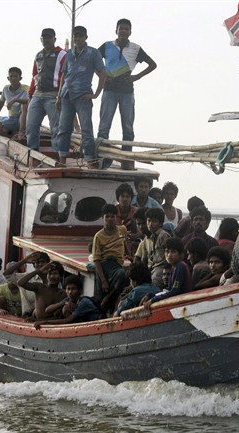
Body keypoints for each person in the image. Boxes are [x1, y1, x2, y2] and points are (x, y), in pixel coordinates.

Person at [97, 18, 157, 170]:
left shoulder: (136, 49)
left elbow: (153, 64)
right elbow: (93, 61)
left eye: (126, 29)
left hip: (127, 92)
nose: (123, 31)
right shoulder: (107, 46)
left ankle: (126, 160)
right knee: (104, 127)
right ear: (116, 30)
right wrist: (101, 76)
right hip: (109, 90)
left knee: (128, 128)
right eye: (121, 28)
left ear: (130, 32)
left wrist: (137, 76)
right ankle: (101, 159)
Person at [53, 25, 106, 168]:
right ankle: (62, 159)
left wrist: (95, 94)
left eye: (80, 35)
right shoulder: (69, 53)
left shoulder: (93, 53)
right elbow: (64, 74)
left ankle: (89, 160)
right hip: (66, 95)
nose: (77, 38)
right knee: (63, 129)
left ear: (86, 37)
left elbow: (102, 73)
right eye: (75, 36)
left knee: (86, 129)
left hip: (83, 95)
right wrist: (58, 96)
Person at [26, 28, 66, 151]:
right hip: (38, 94)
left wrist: (61, 96)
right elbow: (34, 75)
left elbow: (66, 76)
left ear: (54, 39)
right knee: (31, 126)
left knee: (56, 128)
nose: (47, 40)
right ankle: (33, 153)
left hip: (53, 95)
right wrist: (31, 93)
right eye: (44, 38)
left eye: (49, 37)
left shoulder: (62, 54)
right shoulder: (38, 55)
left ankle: (57, 155)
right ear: (41, 39)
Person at [92, 204, 128, 314]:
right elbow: (96, 260)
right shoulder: (98, 236)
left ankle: (113, 307)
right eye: (107, 217)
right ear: (103, 218)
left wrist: (129, 254)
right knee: (101, 295)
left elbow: (125, 244)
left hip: (117, 265)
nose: (110, 219)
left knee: (123, 275)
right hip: (104, 266)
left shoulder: (122, 229)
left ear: (116, 217)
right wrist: (103, 281)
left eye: (112, 216)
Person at [142, 237, 192, 309]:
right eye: (167, 251)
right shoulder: (173, 267)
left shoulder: (180, 266)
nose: (169, 255)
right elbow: (168, 290)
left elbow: (175, 291)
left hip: (185, 304)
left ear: (181, 254)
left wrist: (153, 299)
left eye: (173, 252)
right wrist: (151, 295)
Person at [35, 275, 102, 328]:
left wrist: (45, 322)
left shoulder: (84, 302)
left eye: (73, 289)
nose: (70, 292)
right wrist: (63, 303)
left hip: (95, 326)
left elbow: (68, 320)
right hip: (84, 325)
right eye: (68, 289)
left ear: (80, 291)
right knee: (64, 308)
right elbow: (47, 310)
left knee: (65, 309)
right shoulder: (69, 299)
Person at [4, 252, 51, 318]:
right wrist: (24, 261)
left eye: (42, 262)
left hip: (48, 318)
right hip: (28, 318)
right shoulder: (26, 278)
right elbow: (6, 275)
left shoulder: (54, 279)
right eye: (37, 262)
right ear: (34, 265)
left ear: (48, 264)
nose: (40, 264)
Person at [136, 207, 171, 288]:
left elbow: (168, 257)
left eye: (154, 221)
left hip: (161, 268)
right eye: (149, 220)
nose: (150, 224)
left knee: (154, 281)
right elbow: (144, 260)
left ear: (161, 223)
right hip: (152, 268)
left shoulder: (164, 236)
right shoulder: (147, 239)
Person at [0, 67, 29, 139]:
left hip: (24, 118)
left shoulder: (26, 89)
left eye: (16, 76)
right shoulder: (6, 88)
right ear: (8, 78)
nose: (13, 78)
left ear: (20, 78)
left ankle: (21, 133)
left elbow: (28, 100)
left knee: (24, 105)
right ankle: (13, 135)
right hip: (12, 119)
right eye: (11, 76)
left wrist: (15, 100)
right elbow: (1, 101)